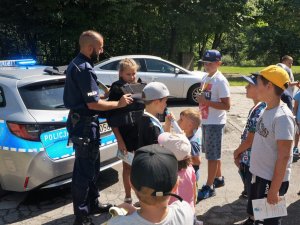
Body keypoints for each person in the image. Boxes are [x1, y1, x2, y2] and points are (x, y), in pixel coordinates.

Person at [63, 30, 133, 225]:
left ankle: (92, 204)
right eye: (100, 47)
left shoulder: (77, 64)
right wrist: (118, 104)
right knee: (83, 174)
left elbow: (90, 99)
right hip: (84, 126)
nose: (102, 50)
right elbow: (92, 105)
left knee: (92, 169)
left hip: (85, 124)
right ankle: (82, 216)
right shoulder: (84, 68)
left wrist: (104, 97)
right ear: (90, 47)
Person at [246, 65, 296, 225]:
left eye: (258, 83)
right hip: (259, 175)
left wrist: (274, 190)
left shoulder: (283, 117)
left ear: (269, 86)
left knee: (268, 222)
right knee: (258, 218)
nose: (255, 86)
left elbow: (284, 156)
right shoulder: (266, 109)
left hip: (271, 181)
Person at [106, 144, 195, 225]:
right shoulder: (185, 211)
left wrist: (132, 214)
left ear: (131, 184)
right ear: (176, 186)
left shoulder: (116, 222)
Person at [106, 58, 145, 205]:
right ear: (121, 73)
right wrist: (119, 140)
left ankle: (142, 197)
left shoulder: (140, 86)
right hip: (125, 135)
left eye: (134, 73)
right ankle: (128, 197)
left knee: (141, 166)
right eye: (128, 74)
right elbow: (111, 118)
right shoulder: (116, 89)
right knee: (127, 166)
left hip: (140, 134)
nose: (132, 77)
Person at [197, 50, 231, 201]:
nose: (207, 65)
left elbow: (226, 105)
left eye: (210, 63)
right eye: (205, 63)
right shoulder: (206, 77)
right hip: (206, 120)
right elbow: (205, 98)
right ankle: (219, 178)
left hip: (215, 123)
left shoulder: (220, 80)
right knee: (213, 153)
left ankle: (209, 187)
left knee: (211, 156)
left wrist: (206, 102)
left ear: (219, 63)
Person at [233, 75, 266, 200]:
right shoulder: (256, 108)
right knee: (252, 191)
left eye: (250, 85)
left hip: (254, 161)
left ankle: (253, 218)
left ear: (259, 89)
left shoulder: (260, 110)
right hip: (249, 158)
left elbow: (250, 140)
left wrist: (237, 152)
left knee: (255, 194)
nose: (246, 87)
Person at [137, 82, 172, 148]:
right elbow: (162, 149)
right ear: (156, 102)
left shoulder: (143, 116)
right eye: (165, 101)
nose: (166, 105)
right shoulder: (153, 127)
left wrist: (167, 125)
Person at [177, 109, 202, 181]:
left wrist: (182, 159)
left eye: (181, 119)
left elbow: (197, 161)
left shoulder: (191, 142)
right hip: (187, 174)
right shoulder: (185, 136)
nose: (178, 121)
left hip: (191, 176)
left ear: (190, 125)